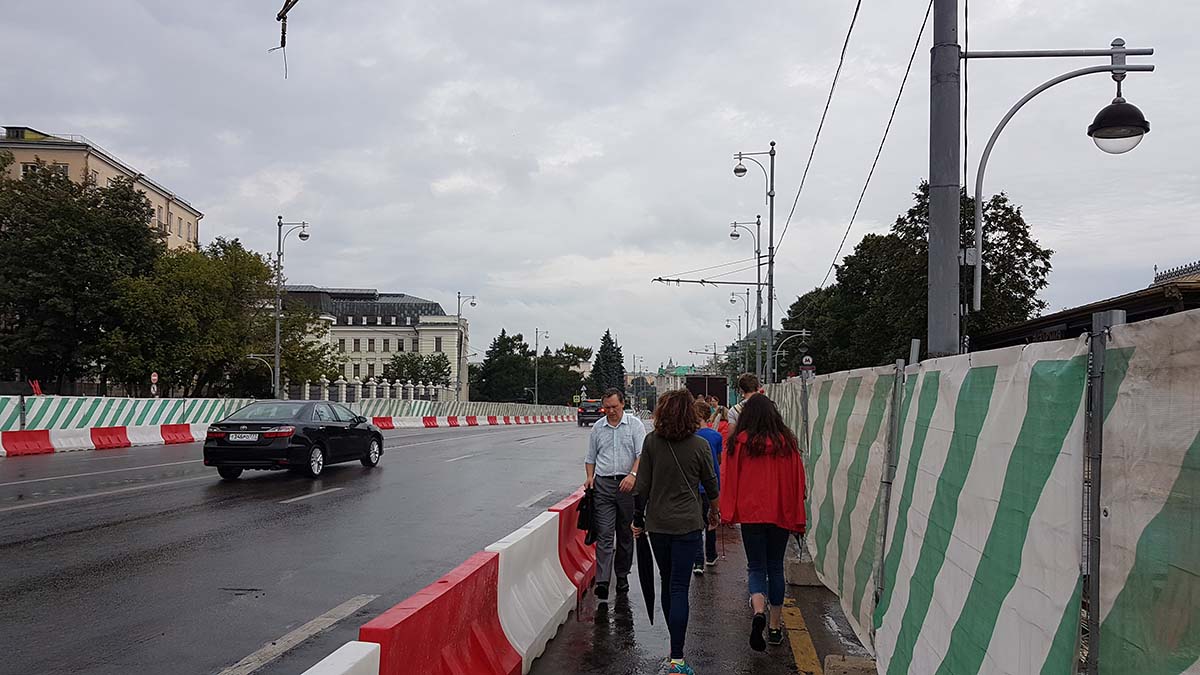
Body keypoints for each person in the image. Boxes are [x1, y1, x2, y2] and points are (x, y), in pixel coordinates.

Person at [633, 389, 719, 675]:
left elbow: (642, 486)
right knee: (680, 586)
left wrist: (637, 519)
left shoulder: (651, 442)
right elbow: (712, 484)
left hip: (658, 525)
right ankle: (678, 659)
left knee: (667, 580)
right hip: (688, 525)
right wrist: (714, 512)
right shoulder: (699, 445)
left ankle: (675, 649)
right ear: (689, 413)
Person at [721, 393, 806, 652]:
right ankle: (775, 626)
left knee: (756, 567)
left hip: (751, 515)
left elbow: (729, 477)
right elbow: (798, 480)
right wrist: (797, 513)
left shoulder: (739, 444)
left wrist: (727, 511)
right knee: (775, 567)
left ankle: (758, 611)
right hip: (780, 513)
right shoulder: (787, 444)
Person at [585, 388, 647, 602]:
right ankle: (603, 581)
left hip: (627, 486)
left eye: (614, 407)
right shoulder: (598, 428)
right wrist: (590, 477)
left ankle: (622, 575)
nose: (611, 411)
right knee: (604, 533)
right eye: (607, 408)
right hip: (603, 485)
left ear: (622, 404)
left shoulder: (635, 426)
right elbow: (590, 457)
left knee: (625, 533)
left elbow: (642, 455)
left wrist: (632, 475)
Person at [692, 399, 722, 574]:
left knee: (697, 524)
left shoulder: (690, 437)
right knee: (712, 519)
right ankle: (711, 555)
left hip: (695, 485)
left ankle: (698, 562)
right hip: (712, 484)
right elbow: (719, 460)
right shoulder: (715, 436)